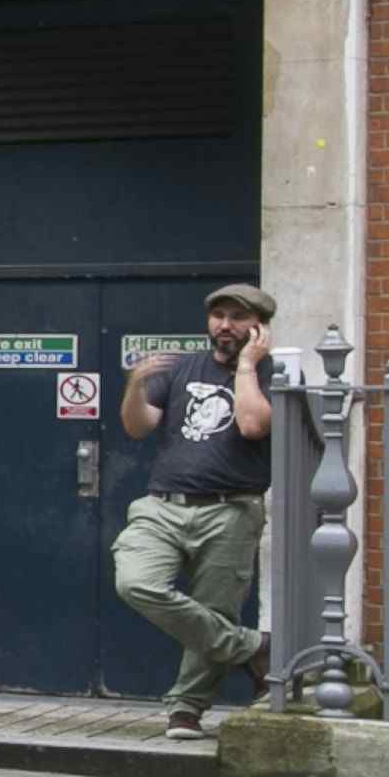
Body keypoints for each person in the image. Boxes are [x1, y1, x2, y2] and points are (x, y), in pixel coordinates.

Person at [115, 282, 284, 737]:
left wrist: (247, 365)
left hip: (232, 509)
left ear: (258, 327)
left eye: (237, 318)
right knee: (135, 582)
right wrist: (134, 384)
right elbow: (137, 426)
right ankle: (253, 648)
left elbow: (251, 425)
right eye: (218, 316)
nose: (225, 326)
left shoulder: (275, 373)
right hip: (162, 505)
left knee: (215, 608)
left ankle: (186, 709)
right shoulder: (182, 368)